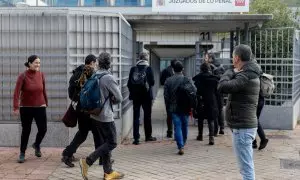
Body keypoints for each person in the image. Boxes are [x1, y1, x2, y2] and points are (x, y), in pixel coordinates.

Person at [218, 44, 261, 180]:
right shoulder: (250, 73)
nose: (232, 60)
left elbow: (223, 86)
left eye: (232, 57)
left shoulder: (245, 76)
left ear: (237, 58)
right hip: (244, 126)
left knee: (246, 168)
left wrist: (229, 72)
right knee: (246, 166)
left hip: (243, 128)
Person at [79, 52, 124, 180]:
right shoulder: (108, 78)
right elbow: (119, 98)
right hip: (105, 116)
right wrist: (111, 101)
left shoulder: (95, 75)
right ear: (109, 64)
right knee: (112, 142)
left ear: (98, 63)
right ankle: (87, 161)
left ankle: (108, 172)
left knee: (104, 144)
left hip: (95, 115)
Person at [62, 54, 107, 167]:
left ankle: (67, 154)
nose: (96, 65)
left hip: (79, 108)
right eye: (95, 63)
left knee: (83, 133)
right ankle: (102, 158)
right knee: (97, 133)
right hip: (89, 110)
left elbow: (70, 93)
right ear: (92, 62)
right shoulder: (91, 73)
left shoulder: (76, 73)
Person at [13, 55, 48, 163]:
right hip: (26, 108)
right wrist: (15, 107)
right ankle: (22, 153)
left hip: (40, 106)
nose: (38, 65)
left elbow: (43, 90)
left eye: (39, 63)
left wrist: (45, 102)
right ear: (29, 63)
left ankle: (36, 144)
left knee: (43, 129)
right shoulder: (22, 76)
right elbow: (16, 92)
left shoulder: (41, 75)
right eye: (36, 63)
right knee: (26, 131)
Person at [164, 61, 196, 155]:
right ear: (182, 69)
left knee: (177, 126)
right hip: (185, 106)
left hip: (174, 107)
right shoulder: (187, 79)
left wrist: (168, 107)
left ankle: (180, 145)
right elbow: (194, 90)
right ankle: (184, 141)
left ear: (173, 70)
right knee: (184, 125)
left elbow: (166, 96)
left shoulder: (168, 80)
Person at [127, 52, 156, 145]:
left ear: (139, 58)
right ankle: (148, 136)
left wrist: (134, 91)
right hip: (147, 96)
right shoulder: (149, 68)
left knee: (136, 117)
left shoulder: (133, 69)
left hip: (136, 97)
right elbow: (152, 82)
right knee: (147, 116)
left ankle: (136, 138)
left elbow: (129, 83)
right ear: (146, 59)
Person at [193, 62, 219, 145]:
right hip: (211, 100)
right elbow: (217, 92)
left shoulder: (197, 79)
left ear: (201, 69)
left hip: (201, 100)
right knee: (210, 119)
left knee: (200, 118)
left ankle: (200, 135)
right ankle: (211, 138)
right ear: (209, 69)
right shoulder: (214, 79)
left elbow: (195, 91)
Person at [205, 52, 225, 135]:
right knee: (220, 109)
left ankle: (215, 130)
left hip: (213, 91)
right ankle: (222, 128)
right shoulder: (220, 66)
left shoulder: (210, 67)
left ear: (210, 58)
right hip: (220, 90)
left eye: (206, 57)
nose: (205, 59)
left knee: (214, 109)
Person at [160, 59, 177, 138]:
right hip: (169, 95)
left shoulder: (177, 70)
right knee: (170, 114)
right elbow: (162, 81)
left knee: (173, 114)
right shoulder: (166, 71)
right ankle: (170, 131)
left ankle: (173, 131)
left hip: (174, 95)